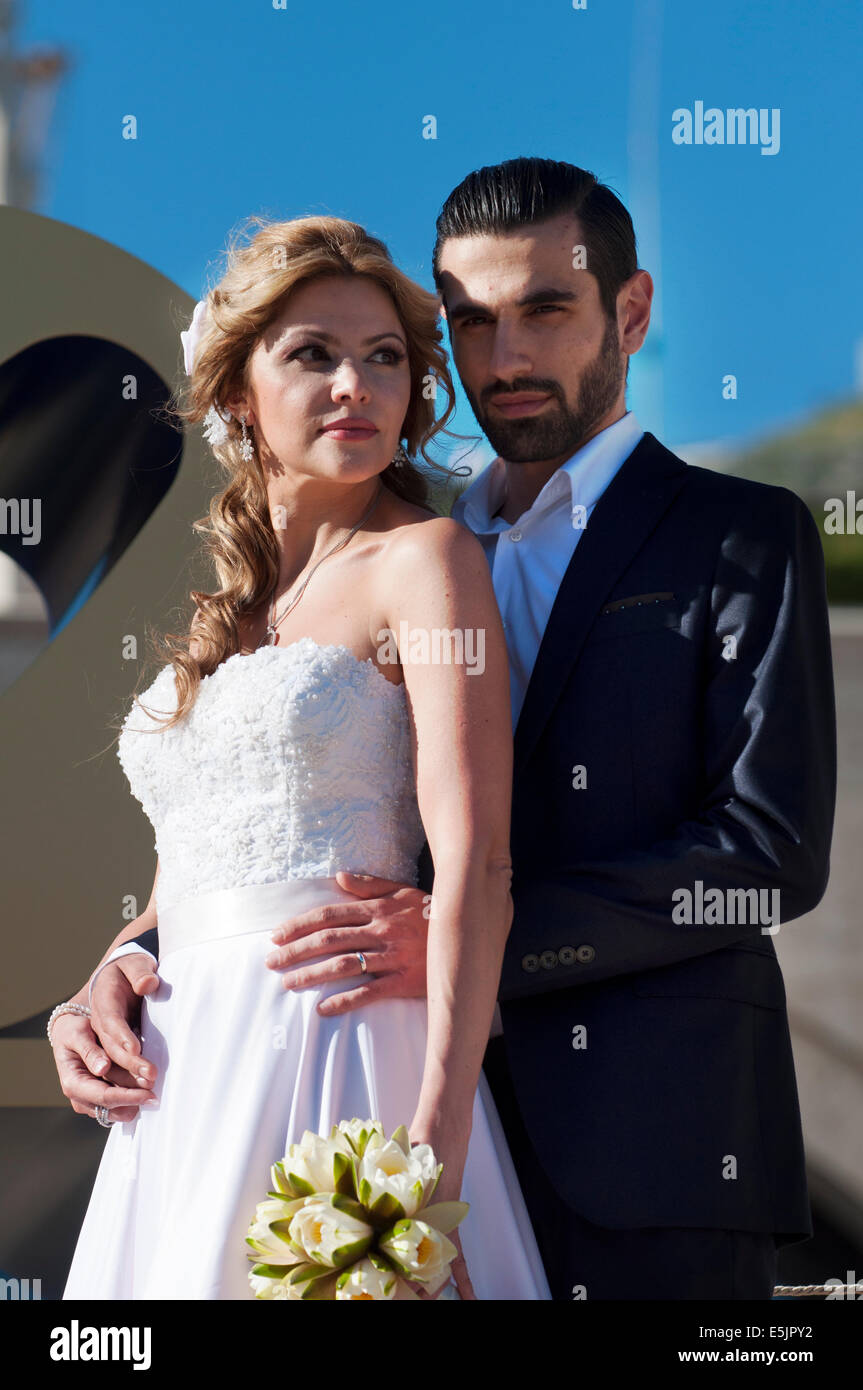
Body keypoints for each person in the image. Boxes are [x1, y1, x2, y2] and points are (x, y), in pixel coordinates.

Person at [57, 158, 837, 1301]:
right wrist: (121, 966)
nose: (504, 357)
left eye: (544, 309)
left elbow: (768, 853)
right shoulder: (412, 543)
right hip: (310, 1079)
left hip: (649, 1142)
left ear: (629, 312)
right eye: (469, 321)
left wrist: (476, 947)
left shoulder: (738, 533)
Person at [56, 212, 551, 1300]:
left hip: (340, 1045)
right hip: (179, 1083)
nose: (357, 386)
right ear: (237, 390)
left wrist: (428, 1161)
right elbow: (194, 871)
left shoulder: (426, 562)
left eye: (384, 359)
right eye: (312, 355)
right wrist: (110, 972)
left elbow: (475, 864)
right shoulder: (213, 612)